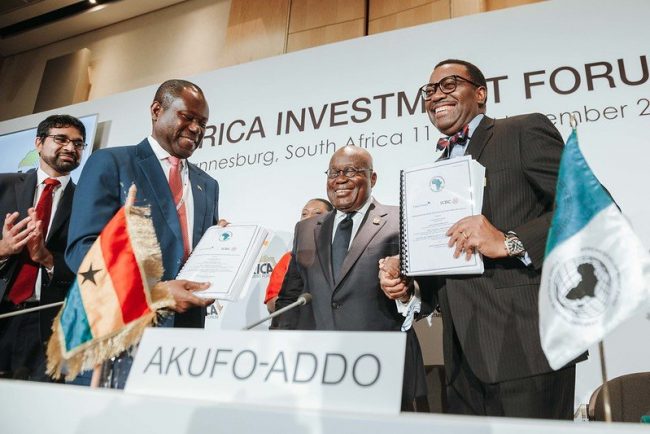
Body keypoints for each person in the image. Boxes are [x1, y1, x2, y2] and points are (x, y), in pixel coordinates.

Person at [380, 59, 581, 419]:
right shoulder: (433, 169)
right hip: (461, 356)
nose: (436, 95)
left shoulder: (522, 131)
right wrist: (410, 281)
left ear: (481, 93)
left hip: (527, 345)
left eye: (449, 84)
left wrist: (509, 241)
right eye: (429, 90)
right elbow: (451, 260)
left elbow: (588, 208)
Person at [66, 79, 219, 386]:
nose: (195, 129)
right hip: (118, 335)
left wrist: (219, 245)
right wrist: (157, 293)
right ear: (156, 110)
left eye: (202, 123)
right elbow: (83, 253)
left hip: (183, 343)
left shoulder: (208, 185)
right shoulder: (111, 163)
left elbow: (190, 255)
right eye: (187, 117)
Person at [275, 145, 431, 411]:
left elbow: (427, 290)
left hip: (383, 366)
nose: (340, 179)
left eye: (351, 171)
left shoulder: (400, 219)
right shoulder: (306, 229)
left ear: (373, 178)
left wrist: (404, 291)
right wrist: (279, 347)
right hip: (321, 369)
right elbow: (291, 295)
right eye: (333, 172)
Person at [0, 114, 85, 381]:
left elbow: (89, 267)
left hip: (45, 324)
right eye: (61, 139)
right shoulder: (3, 185)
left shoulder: (86, 202)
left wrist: (46, 258)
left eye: (79, 143)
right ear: (38, 143)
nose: (71, 148)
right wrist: (3, 248)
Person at [263, 198, 332, 313]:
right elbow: (272, 303)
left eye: (317, 213)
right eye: (304, 214)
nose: (308, 217)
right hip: (296, 326)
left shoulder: (341, 255)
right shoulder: (289, 258)